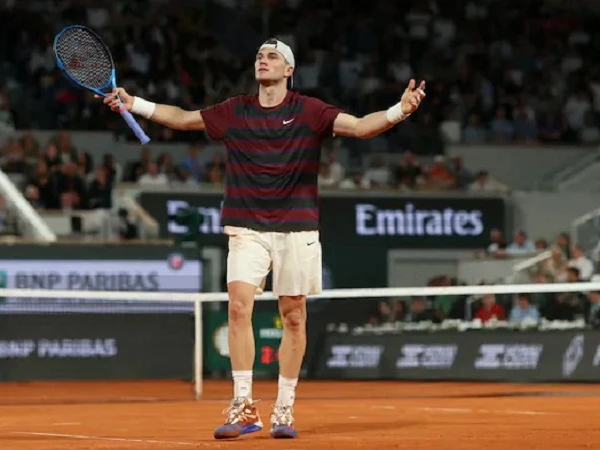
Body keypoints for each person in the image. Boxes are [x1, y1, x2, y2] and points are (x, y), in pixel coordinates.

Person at [99, 38, 426, 440]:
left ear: (289, 70)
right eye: (259, 55)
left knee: (294, 315)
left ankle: (284, 409)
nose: (263, 60)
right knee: (239, 307)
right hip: (246, 225)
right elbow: (183, 119)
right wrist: (134, 103)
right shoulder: (235, 110)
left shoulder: (310, 110)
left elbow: (359, 127)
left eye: (272, 56)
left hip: (297, 226)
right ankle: (243, 406)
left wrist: (400, 110)